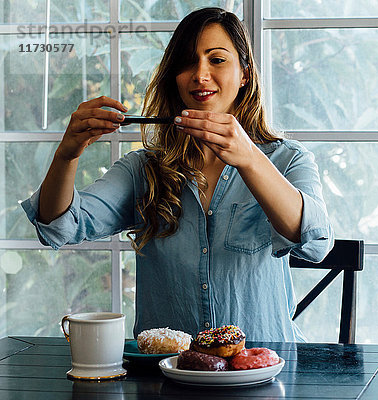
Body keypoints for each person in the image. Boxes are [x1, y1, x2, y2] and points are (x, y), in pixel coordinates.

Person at [21, 7, 333, 342]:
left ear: (244, 73)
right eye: (187, 62)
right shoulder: (144, 170)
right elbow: (58, 224)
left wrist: (249, 160)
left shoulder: (287, 159)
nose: (200, 74)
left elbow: (315, 244)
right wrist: (67, 153)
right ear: (175, 78)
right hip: (165, 376)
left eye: (217, 59)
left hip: (264, 372)